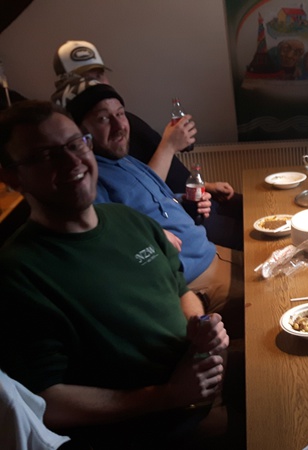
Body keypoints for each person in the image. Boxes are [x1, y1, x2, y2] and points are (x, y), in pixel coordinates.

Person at [0, 100, 232, 448]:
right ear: (12, 177)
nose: (72, 162)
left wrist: (199, 329)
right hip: (161, 428)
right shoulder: (19, 273)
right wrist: (167, 395)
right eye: (46, 155)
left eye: (76, 144)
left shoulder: (130, 221)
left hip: (204, 379)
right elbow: (45, 402)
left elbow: (180, 291)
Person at [51, 77, 244, 338]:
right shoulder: (90, 179)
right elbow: (107, 240)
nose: (119, 125)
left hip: (212, 252)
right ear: (80, 132)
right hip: (195, 282)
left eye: (121, 114)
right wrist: (148, 235)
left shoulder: (126, 159)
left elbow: (158, 200)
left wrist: (187, 200)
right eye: (103, 118)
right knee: (279, 297)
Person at [53, 40, 243, 250]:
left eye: (99, 75)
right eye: (86, 79)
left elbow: (150, 187)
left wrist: (205, 186)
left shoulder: (125, 125)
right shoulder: (97, 156)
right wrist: (169, 145)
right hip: (185, 225)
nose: (96, 84)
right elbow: (137, 200)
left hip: (190, 204)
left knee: (255, 207)